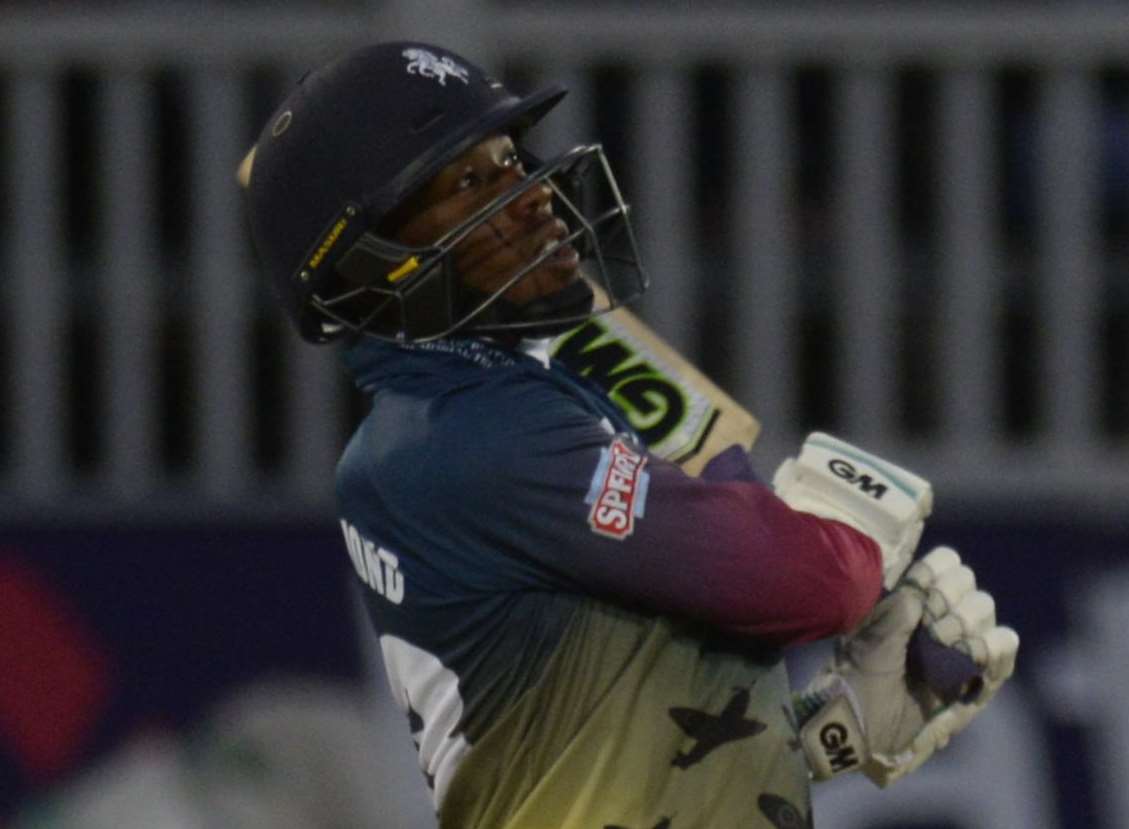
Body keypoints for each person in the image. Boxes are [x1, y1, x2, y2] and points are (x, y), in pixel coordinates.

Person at [242, 41, 1018, 829]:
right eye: (472, 182)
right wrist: (831, 526)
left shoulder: (493, 409)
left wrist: (825, 730)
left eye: (509, 157)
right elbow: (810, 583)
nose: (531, 193)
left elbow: (594, 750)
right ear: (374, 267)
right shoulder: (464, 440)